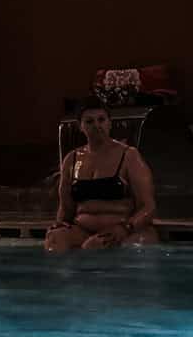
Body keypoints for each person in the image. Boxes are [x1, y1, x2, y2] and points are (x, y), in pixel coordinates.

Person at [45, 100, 158, 253]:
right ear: (80, 126)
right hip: (83, 230)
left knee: (99, 247)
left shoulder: (129, 156)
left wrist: (125, 228)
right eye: (89, 121)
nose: (97, 125)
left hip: (125, 229)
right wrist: (60, 224)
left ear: (109, 123)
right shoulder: (71, 160)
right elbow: (66, 208)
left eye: (101, 120)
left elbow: (148, 207)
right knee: (55, 239)